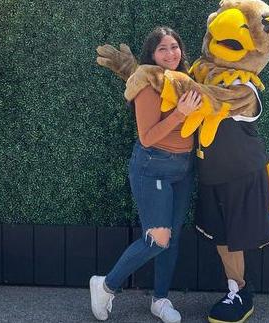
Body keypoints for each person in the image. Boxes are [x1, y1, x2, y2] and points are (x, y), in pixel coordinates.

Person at [90, 26, 201, 323]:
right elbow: (148, 137)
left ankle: (160, 299)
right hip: (153, 166)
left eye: (174, 46)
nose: (170, 53)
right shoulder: (147, 85)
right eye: (162, 48)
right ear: (152, 54)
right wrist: (180, 113)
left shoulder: (186, 81)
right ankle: (106, 285)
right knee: (158, 240)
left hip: (184, 168)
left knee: (172, 240)